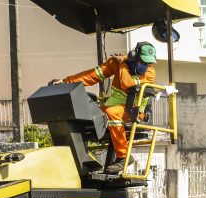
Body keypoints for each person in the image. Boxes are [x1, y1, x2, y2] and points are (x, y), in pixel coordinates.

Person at [51, 42, 158, 173]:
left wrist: (123, 63)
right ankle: (78, 158)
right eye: (143, 62)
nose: (146, 66)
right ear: (133, 56)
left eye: (148, 63)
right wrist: (66, 82)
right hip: (113, 107)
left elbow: (127, 83)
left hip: (134, 111)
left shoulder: (150, 73)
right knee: (86, 113)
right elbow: (93, 75)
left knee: (111, 112)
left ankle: (124, 156)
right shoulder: (116, 63)